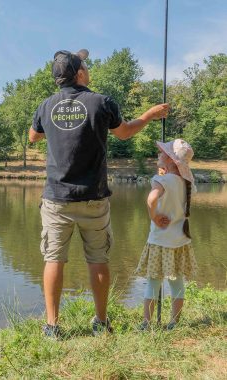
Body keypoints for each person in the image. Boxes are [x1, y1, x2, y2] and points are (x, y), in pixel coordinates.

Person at [29, 49, 169, 338]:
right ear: (80, 73)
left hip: (56, 199)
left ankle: (52, 326)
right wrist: (149, 115)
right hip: (93, 198)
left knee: (53, 259)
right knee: (97, 259)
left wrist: (54, 126)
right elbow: (125, 132)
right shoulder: (102, 102)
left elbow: (33, 137)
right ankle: (101, 323)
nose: (88, 67)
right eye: (86, 65)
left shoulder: (46, 105)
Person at [135, 138, 198, 330]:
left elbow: (151, 199)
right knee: (177, 282)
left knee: (153, 282)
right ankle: (174, 323)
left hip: (160, 241)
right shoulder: (186, 183)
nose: (158, 154)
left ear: (171, 160)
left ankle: (147, 323)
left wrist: (154, 216)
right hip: (179, 241)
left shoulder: (161, 181)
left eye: (162, 152)